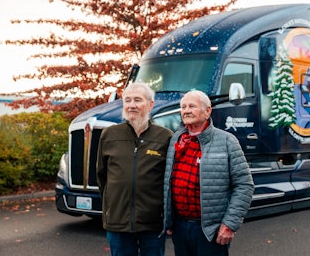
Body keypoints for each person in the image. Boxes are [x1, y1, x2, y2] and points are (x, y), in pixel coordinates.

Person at [163, 90, 254, 256]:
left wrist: (229, 225)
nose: (186, 110)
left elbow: (244, 185)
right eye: (183, 107)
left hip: (211, 230)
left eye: (192, 106)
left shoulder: (227, 141)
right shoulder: (175, 140)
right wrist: (168, 220)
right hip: (180, 227)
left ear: (207, 111)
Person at [97, 82, 173, 256]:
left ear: (150, 104)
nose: (131, 105)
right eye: (128, 100)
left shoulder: (165, 137)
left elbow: (169, 179)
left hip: (152, 223)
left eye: (137, 100)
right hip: (118, 222)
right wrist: (111, 206)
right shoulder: (109, 135)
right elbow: (102, 176)